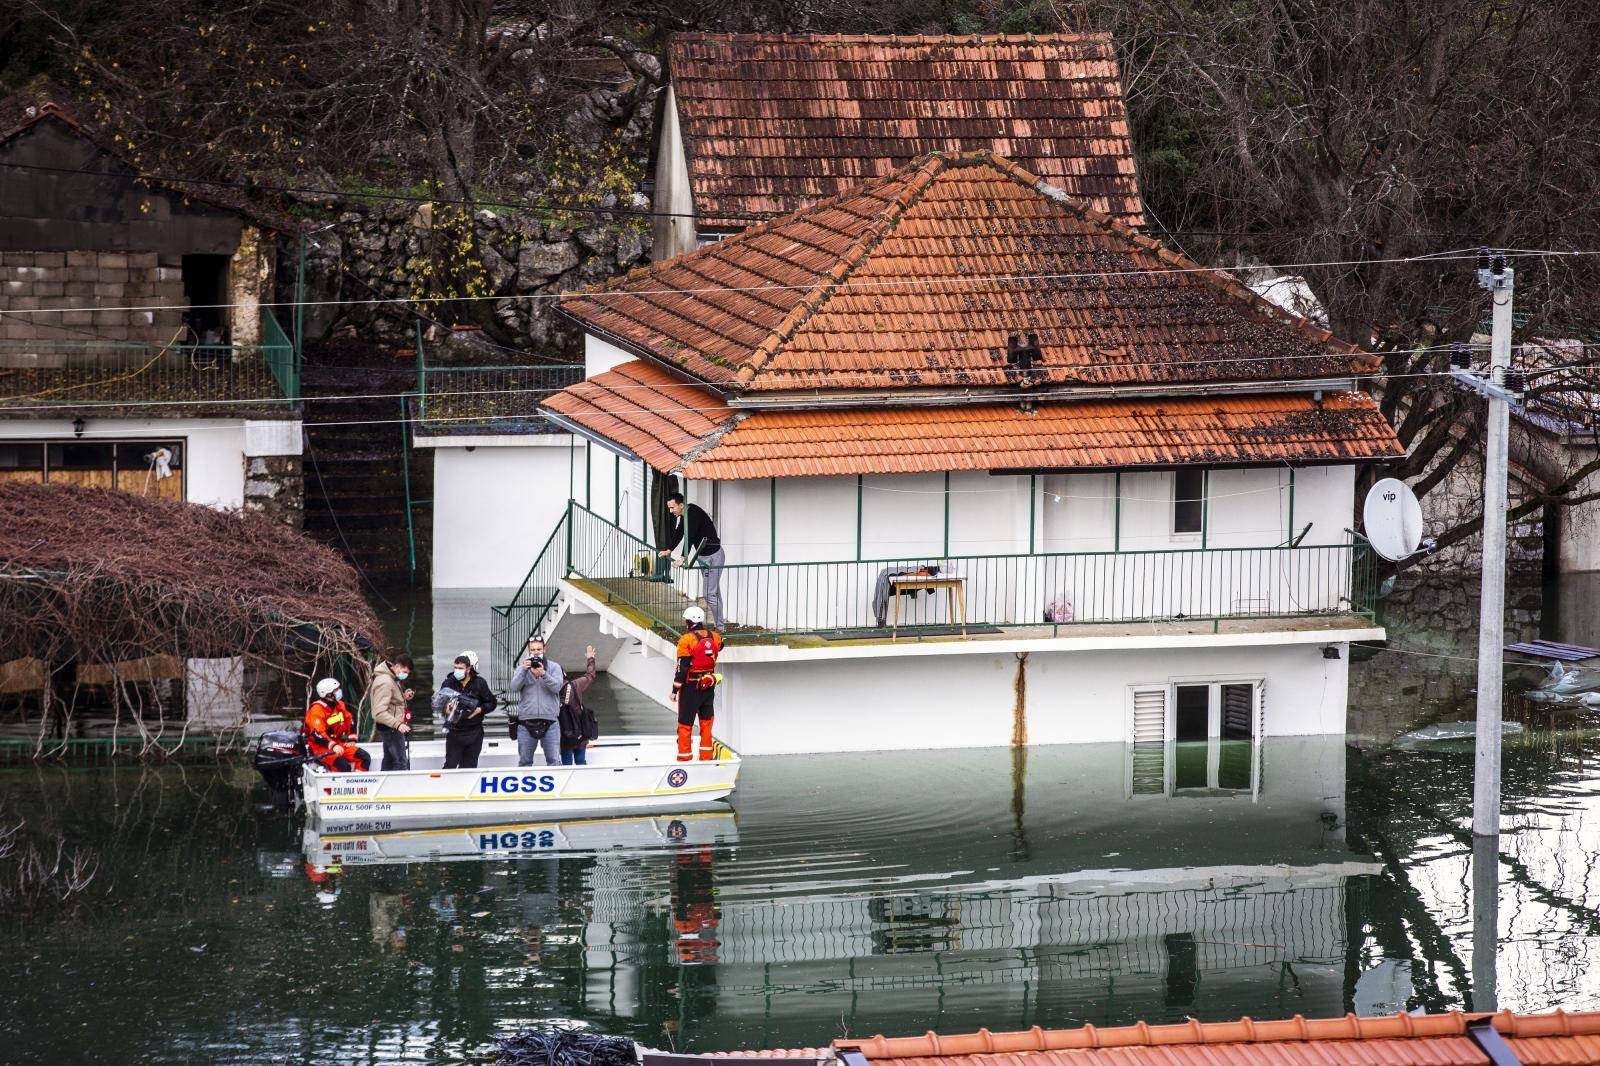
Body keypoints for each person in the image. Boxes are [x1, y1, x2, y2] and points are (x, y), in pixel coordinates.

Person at [658, 492, 725, 631]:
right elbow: (679, 532)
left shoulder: (693, 513)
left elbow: (690, 535)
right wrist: (669, 550)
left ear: (681, 505)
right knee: (714, 592)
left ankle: (720, 627)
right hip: (703, 557)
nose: (671, 511)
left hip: (714, 556)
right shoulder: (684, 516)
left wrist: (683, 558)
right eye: (669, 508)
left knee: (709, 594)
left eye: (672, 508)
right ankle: (720, 625)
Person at [672, 606, 722, 762]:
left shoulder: (686, 640)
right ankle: (706, 757)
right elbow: (720, 647)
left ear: (689, 622)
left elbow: (682, 667)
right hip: (708, 685)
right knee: (706, 722)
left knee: (685, 724)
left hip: (690, 687)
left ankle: (684, 758)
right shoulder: (715, 636)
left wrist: (674, 690)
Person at [431, 650, 496, 769]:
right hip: (455, 731)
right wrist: (447, 709)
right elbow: (439, 705)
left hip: (474, 731)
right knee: (450, 764)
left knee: (469, 766)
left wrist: (479, 709)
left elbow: (492, 702)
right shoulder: (449, 682)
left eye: (460, 668)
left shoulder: (479, 683)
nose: (457, 670)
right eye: (455, 667)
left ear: (468, 668)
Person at [508, 637, 565, 767]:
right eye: (533, 650)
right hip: (526, 722)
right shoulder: (522, 668)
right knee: (524, 761)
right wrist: (523, 670)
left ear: (544, 649)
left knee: (554, 761)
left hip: (550, 721)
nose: (536, 652)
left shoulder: (554, 667)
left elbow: (557, 687)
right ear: (528, 651)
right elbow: (514, 688)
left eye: (539, 649)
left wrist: (543, 673)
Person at [303, 677, 370, 772]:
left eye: (338, 689)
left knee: (364, 757)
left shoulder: (339, 705)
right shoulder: (316, 710)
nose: (339, 691)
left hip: (337, 743)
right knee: (343, 766)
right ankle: (343, 786)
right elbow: (317, 733)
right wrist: (333, 745)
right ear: (328, 694)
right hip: (320, 748)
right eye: (336, 690)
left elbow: (348, 719)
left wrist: (351, 737)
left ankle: (359, 783)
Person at [369, 654, 415, 771]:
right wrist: (398, 725)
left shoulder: (392, 678)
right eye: (405, 671)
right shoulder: (386, 682)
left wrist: (403, 697)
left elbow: (390, 702)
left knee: (389, 760)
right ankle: (400, 787)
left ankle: (386, 784)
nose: (406, 675)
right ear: (397, 666)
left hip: (390, 726)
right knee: (400, 762)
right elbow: (379, 712)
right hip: (391, 728)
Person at [557, 645, 599, 765]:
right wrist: (590, 658)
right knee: (580, 761)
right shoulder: (576, 685)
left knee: (566, 762)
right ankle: (583, 779)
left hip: (564, 734)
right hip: (580, 730)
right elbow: (590, 675)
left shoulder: (550, 690)